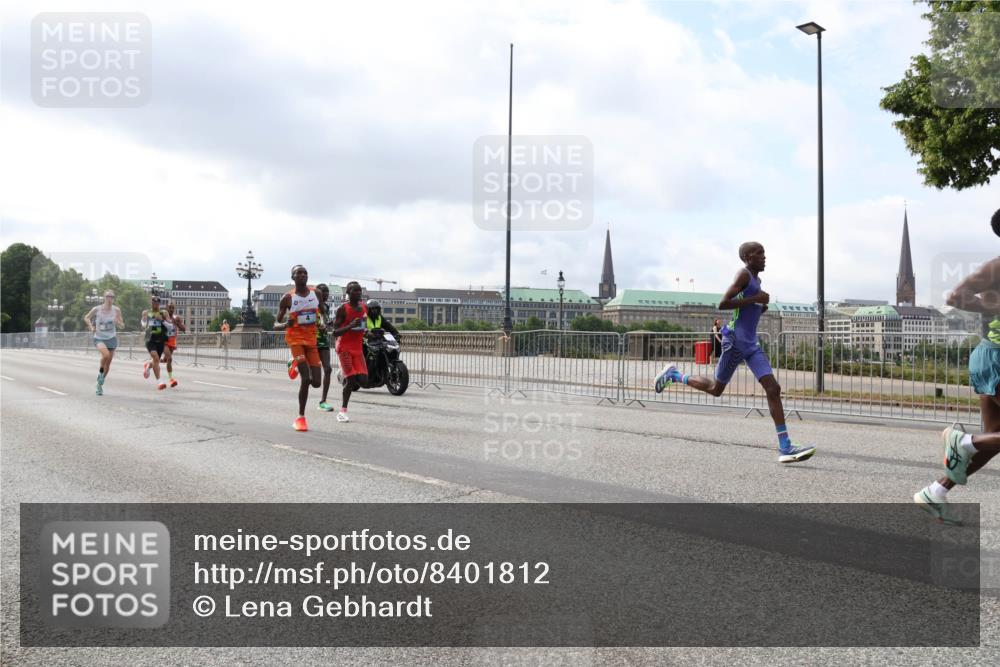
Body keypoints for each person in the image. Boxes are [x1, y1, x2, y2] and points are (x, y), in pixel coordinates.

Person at [654, 242, 816, 463]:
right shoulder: (744, 275)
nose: (764, 257)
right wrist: (755, 300)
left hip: (751, 344)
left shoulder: (757, 281)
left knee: (773, 388)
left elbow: (745, 308)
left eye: (764, 253)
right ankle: (674, 375)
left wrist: (760, 306)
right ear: (748, 257)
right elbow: (724, 303)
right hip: (734, 341)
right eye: (759, 253)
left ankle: (785, 446)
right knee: (715, 389)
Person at [914, 209, 1000, 525]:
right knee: (985, 440)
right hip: (995, 358)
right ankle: (963, 441)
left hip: (991, 357)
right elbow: (955, 295)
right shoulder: (995, 268)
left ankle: (937, 490)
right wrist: (994, 306)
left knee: (993, 441)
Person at [276, 265, 323, 431]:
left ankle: (294, 363)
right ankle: (300, 417)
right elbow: (276, 323)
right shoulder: (287, 298)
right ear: (293, 277)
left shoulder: (316, 293)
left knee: (317, 382)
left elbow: (322, 313)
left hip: (311, 340)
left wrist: (323, 324)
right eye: (298, 273)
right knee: (306, 378)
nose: (302, 275)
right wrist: (284, 324)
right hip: (295, 340)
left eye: (305, 273)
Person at [332, 281, 369, 423]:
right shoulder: (343, 309)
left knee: (363, 380)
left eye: (359, 291)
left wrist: (367, 333)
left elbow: (363, 327)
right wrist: (350, 326)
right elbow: (335, 332)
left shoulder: (364, 307)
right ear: (348, 292)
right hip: (344, 348)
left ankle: (342, 373)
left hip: (358, 348)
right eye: (354, 291)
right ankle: (343, 411)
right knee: (351, 380)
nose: (358, 293)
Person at [83, 290, 124, 396]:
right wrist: (91, 327)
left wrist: (118, 322)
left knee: (108, 363)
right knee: (105, 355)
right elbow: (86, 317)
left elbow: (122, 325)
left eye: (112, 297)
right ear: (104, 298)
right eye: (108, 296)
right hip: (99, 337)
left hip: (111, 338)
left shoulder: (117, 310)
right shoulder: (97, 309)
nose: (110, 299)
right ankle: (100, 374)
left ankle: (99, 385)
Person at [363, 298, 401, 381]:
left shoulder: (380, 318)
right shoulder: (364, 318)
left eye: (376, 308)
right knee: (365, 354)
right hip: (365, 341)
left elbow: (389, 327)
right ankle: (365, 373)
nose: (374, 311)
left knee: (387, 350)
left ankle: (382, 369)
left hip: (377, 341)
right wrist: (366, 333)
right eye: (372, 309)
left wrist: (396, 334)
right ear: (368, 310)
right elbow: (362, 328)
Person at [140, 295, 169, 390]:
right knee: (156, 358)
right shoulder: (146, 312)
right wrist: (145, 322)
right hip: (150, 339)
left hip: (160, 340)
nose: (155, 304)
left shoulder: (164, 313)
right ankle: (159, 381)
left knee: (155, 361)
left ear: (159, 303)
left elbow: (170, 326)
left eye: (157, 302)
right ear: (151, 302)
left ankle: (148, 365)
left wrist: (162, 320)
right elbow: (143, 324)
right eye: (153, 302)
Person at [315, 283, 335, 412]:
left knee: (328, 369)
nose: (326, 295)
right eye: (324, 292)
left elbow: (324, 323)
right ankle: (295, 361)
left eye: (327, 292)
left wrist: (329, 324)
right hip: (311, 340)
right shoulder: (310, 306)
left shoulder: (326, 307)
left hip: (323, 341)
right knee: (312, 379)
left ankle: (323, 401)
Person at [162, 302, 186, 388]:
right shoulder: (163, 317)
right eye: (170, 308)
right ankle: (171, 379)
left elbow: (184, 329)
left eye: (173, 308)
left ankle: (150, 364)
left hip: (172, 342)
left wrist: (178, 324)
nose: (171, 309)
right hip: (164, 341)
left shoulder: (177, 318)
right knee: (170, 358)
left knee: (165, 360)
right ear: (166, 308)